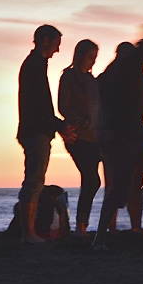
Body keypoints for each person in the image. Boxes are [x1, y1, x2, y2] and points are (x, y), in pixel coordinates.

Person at [92, 24, 143, 248]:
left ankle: (107, 231)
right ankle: (101, 237)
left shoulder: (132, 66)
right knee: (123, 186)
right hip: (124, 135)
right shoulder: (130, 66)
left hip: (128, 133)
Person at [17, 24, 67, 243]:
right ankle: (28, 233)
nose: (57, 50)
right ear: (45, 40)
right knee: (34, 181)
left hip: (35, 129)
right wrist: (59, 125)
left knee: (34, 180)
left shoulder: (36, 64)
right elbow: (40, 105)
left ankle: (27, 231)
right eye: (56, 44)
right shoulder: (34, 65)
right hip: (35, 130)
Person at [58, 39, 101, 234]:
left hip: (95, 136)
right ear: (80, 55)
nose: (92, 61)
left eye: (95, 58)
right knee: (92, 179)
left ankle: (84, 225)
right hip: (77, 136)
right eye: (90, 57)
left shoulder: (92, 81)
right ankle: (81, 225)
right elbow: (62, 106)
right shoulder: (69, 77)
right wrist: (78, 120)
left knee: (92, 179)